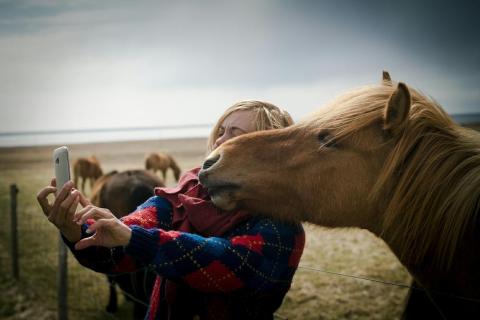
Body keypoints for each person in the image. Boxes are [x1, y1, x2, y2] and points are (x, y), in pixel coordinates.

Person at [37, 100, 305, 320]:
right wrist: (78, 232)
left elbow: (231, 264)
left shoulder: (281, 225)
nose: (221, 140)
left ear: (270, 151)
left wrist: (134, 238)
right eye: (221, 131)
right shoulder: (182, 196)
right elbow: (121, 244)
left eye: (237, 135)